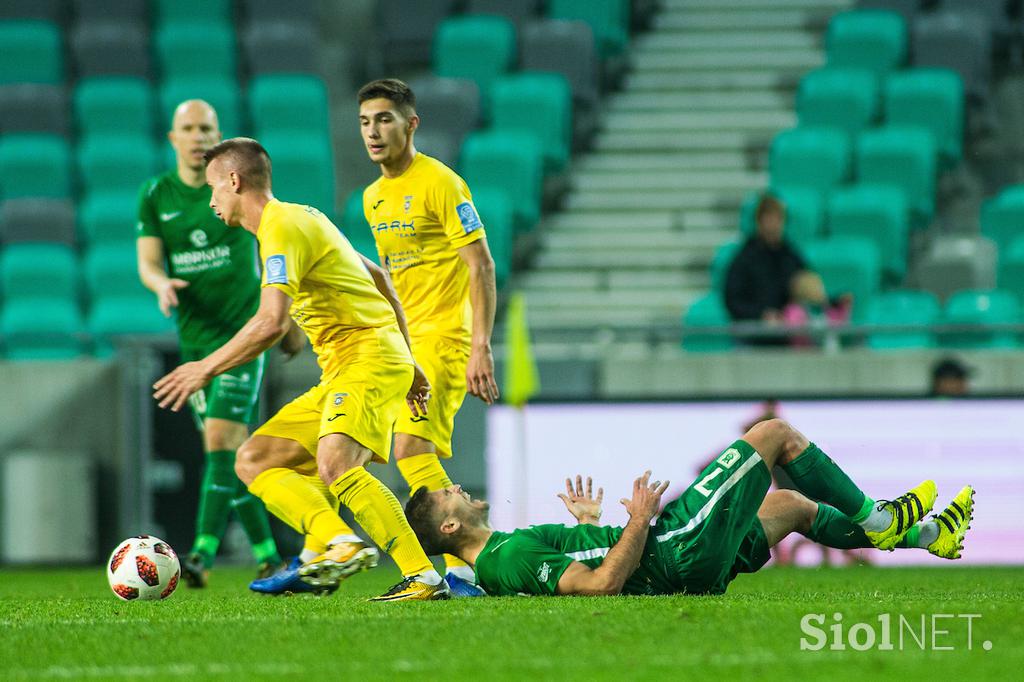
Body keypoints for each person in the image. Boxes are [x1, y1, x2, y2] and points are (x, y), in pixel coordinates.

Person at [152, 137, 450, 601]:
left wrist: (204, 369)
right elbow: (379, 277)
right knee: (253, 459)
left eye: (213, 188)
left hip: (367, 358)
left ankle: (422, 576)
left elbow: (270, 322)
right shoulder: (302, 216)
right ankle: (332, 547)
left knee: (334, 463)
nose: (210, 200)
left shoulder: (282, 226)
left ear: (234, 180)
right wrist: (409, 362)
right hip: (348, 368)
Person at [252, 78, 501, 598]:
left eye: (384, 119)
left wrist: (481, 345)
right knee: (343, 452)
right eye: (365, 121)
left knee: (410, 449)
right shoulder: (372, 198)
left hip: (444, 336)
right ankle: (319, 556)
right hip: (401, 339)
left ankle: (462, 571)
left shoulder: (442, 183)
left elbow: (480, 265)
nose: (373, 131)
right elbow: (384, 277)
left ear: (411, 124)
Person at [405, 418, 974, 597]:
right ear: (451, 525)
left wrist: (587, 524)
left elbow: (585, 561)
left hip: (672, 555)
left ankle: (927, 537)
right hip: (675, 550)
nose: (457, 486)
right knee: (773, 434)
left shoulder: (504, 552)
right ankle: (881, 519)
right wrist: (637, 519)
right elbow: (599, 585)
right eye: (447, 493)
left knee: (793, 505)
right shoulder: (505, 559)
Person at [136, 100, 283, 587]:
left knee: (221, 440)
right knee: (231, 451)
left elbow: (276, 248)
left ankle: (199, 553)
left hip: (244, 333)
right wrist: (160, 284)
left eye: (207, 128)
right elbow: (149, 262)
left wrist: (291, 319)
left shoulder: (239, 186)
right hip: (195, 342)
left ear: (218, 138)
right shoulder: (156, 194)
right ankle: (267, 553)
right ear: (173, 137)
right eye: (188, 128)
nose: (197, 136)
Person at [724, 194, 849, 346]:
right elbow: (733, 300)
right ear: (759, 221)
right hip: (753, 337)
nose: (773, 224)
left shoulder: (790, 255)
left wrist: (835, 301)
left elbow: (809, 288)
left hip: (786, 336)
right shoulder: (744, 259)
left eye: (778, 219)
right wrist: (761, 315)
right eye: (769, 218)